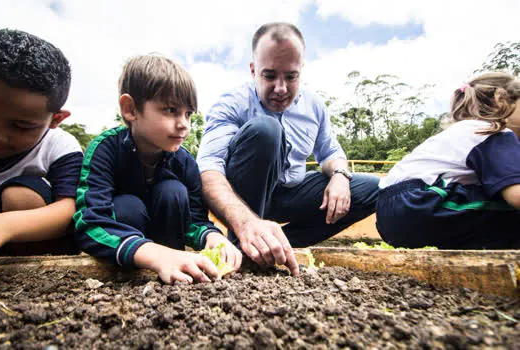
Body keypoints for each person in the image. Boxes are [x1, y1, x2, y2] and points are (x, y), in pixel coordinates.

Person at [197, 22, 379, 275]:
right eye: (269, 75)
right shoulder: (232, 103)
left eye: (291, 77)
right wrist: (246, 222)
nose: (281, 88)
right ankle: (245, 243)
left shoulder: (313, 106)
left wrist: (339, 175)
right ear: (253, 70)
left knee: (373, 189)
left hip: (290, 194)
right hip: (243, 198)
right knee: (266, 131)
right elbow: (208, 170)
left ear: (300, 71)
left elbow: (329, 153)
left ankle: (278, 244)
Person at [73, 54, 242, 284]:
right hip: (127, 258)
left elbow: (194, 221)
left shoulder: (185, 163)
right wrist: (154, 254)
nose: (184, 124)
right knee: (127, 206)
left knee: (172, 191)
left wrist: (211, 237)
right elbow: (90, 223)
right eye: (171, 110)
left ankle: (175, 271)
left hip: (172, 258)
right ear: (131, 109)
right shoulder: (105, 150)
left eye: (188, 114)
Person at [0, 29, 83, 265]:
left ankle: (24, 265)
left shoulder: (60, 146)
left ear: (56, 120)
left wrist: (3, 226)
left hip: (32, 240)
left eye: (20, 126)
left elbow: (71, 208)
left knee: (21, 195)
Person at [377, 72, 520, 249]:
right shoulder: (493, 132)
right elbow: (516, 195)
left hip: (391, 214)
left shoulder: (464, 130)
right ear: (501, 100)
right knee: (512, 211)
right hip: (419, 205)